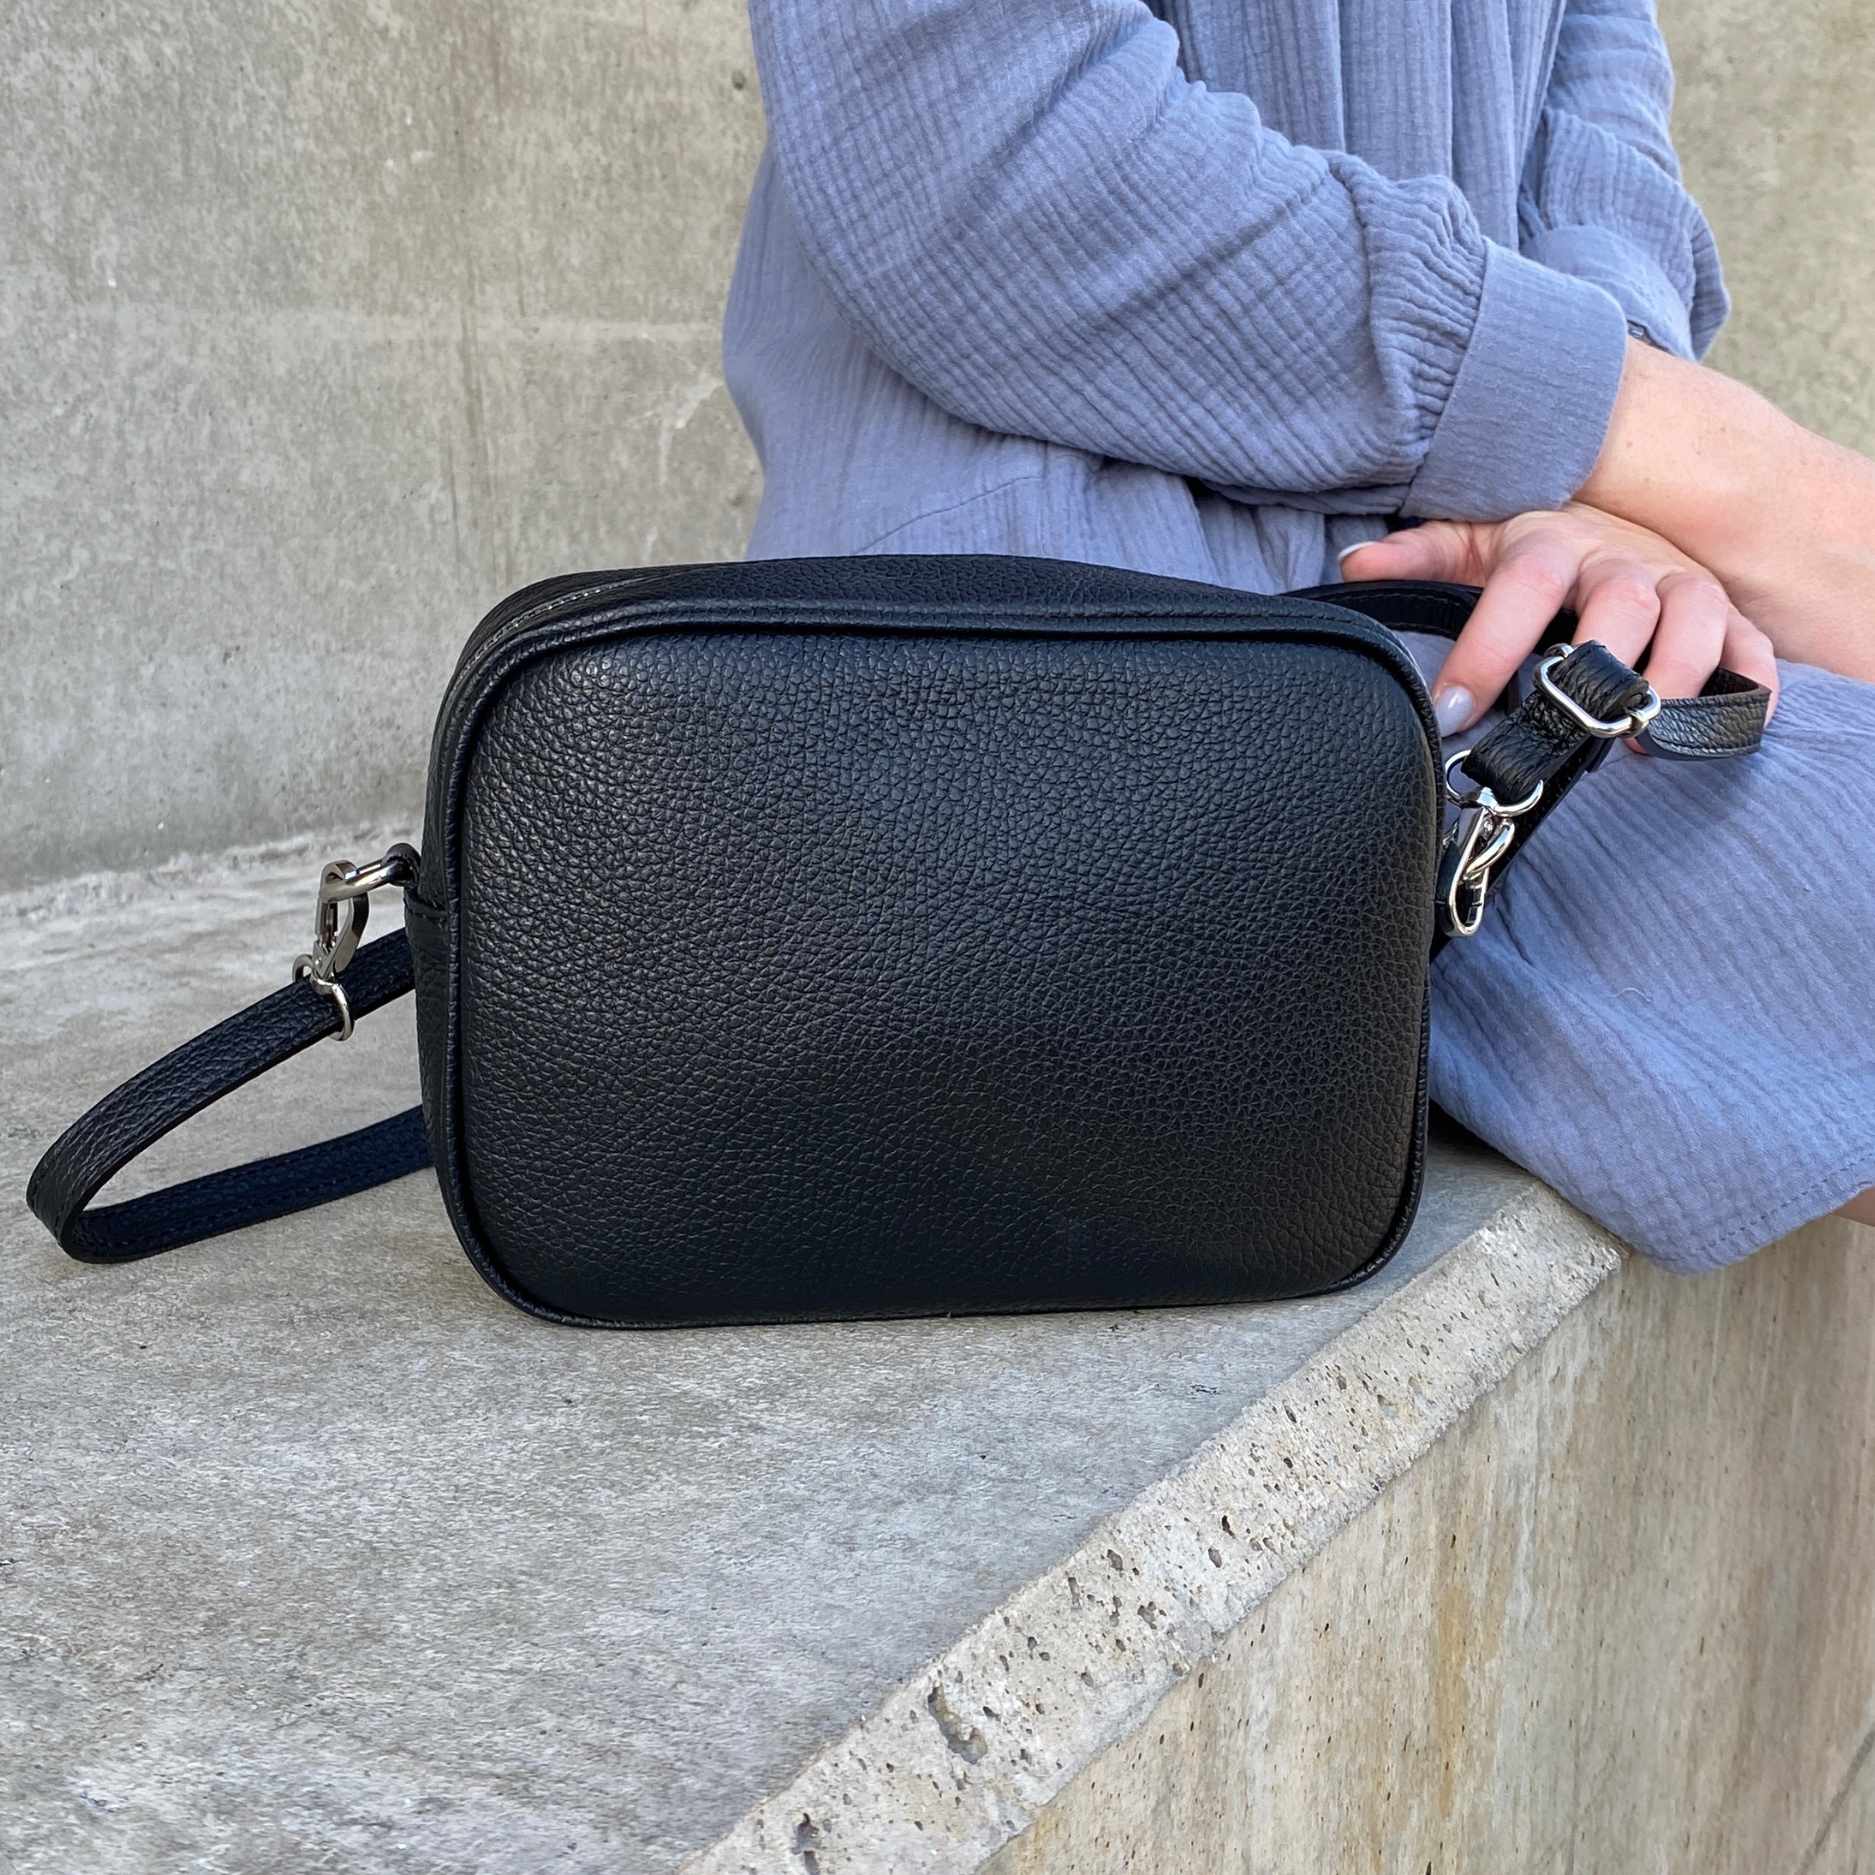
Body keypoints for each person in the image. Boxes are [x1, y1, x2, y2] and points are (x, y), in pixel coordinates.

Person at [721, 0, 1875, 1270]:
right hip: (1108, 615)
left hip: (1511, 581)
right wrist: (1699, 461)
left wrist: (1607, 451)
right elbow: (979, 156)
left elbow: (1590, 55)